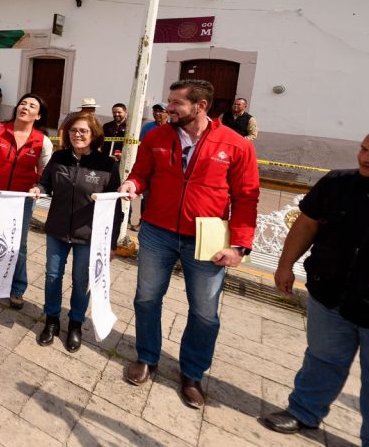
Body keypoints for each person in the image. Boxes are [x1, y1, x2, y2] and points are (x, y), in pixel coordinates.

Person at [118, 79, 259, 409]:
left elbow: (247, 198)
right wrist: (131, 184)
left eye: (176, 102)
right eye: (169, 100)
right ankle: (147, 357)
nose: (169, 107)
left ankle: (192, 373)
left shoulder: (236, 145)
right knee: (147, 298)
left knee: (205, 312)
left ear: (200, 106)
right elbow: (142, 174)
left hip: (209, 236)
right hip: (157, 231)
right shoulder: (155, 136)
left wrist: (239, 245)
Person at [262, 134, 369, 441]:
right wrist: (285, 265)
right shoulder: (337, 183)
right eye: (363, 149)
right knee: (322, 358)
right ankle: (304, 412)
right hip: (330, 296)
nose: (365, 157)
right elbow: (307, 224)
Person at [30, 112, 122, 351]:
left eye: (83, 131)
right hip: (57, 229)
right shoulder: (59, 157)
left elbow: (116, 209)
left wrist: (111, 243)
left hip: (89, 236)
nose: (77, 135)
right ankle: (51, 320)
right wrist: (39, 188)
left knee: (81, 282)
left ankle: (75, 324)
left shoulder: (108, 165)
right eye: (73, 131)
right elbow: (45, 182)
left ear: (93, 135)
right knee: (52, 276)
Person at [0, 93, 53, 309]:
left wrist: (40, 187)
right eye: (23, 103)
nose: (25, 107)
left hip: (21, 199)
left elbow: (46, 174)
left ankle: (17, 288)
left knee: (19, 244)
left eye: (32, 105)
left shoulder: (43, 141)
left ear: (39, 115)